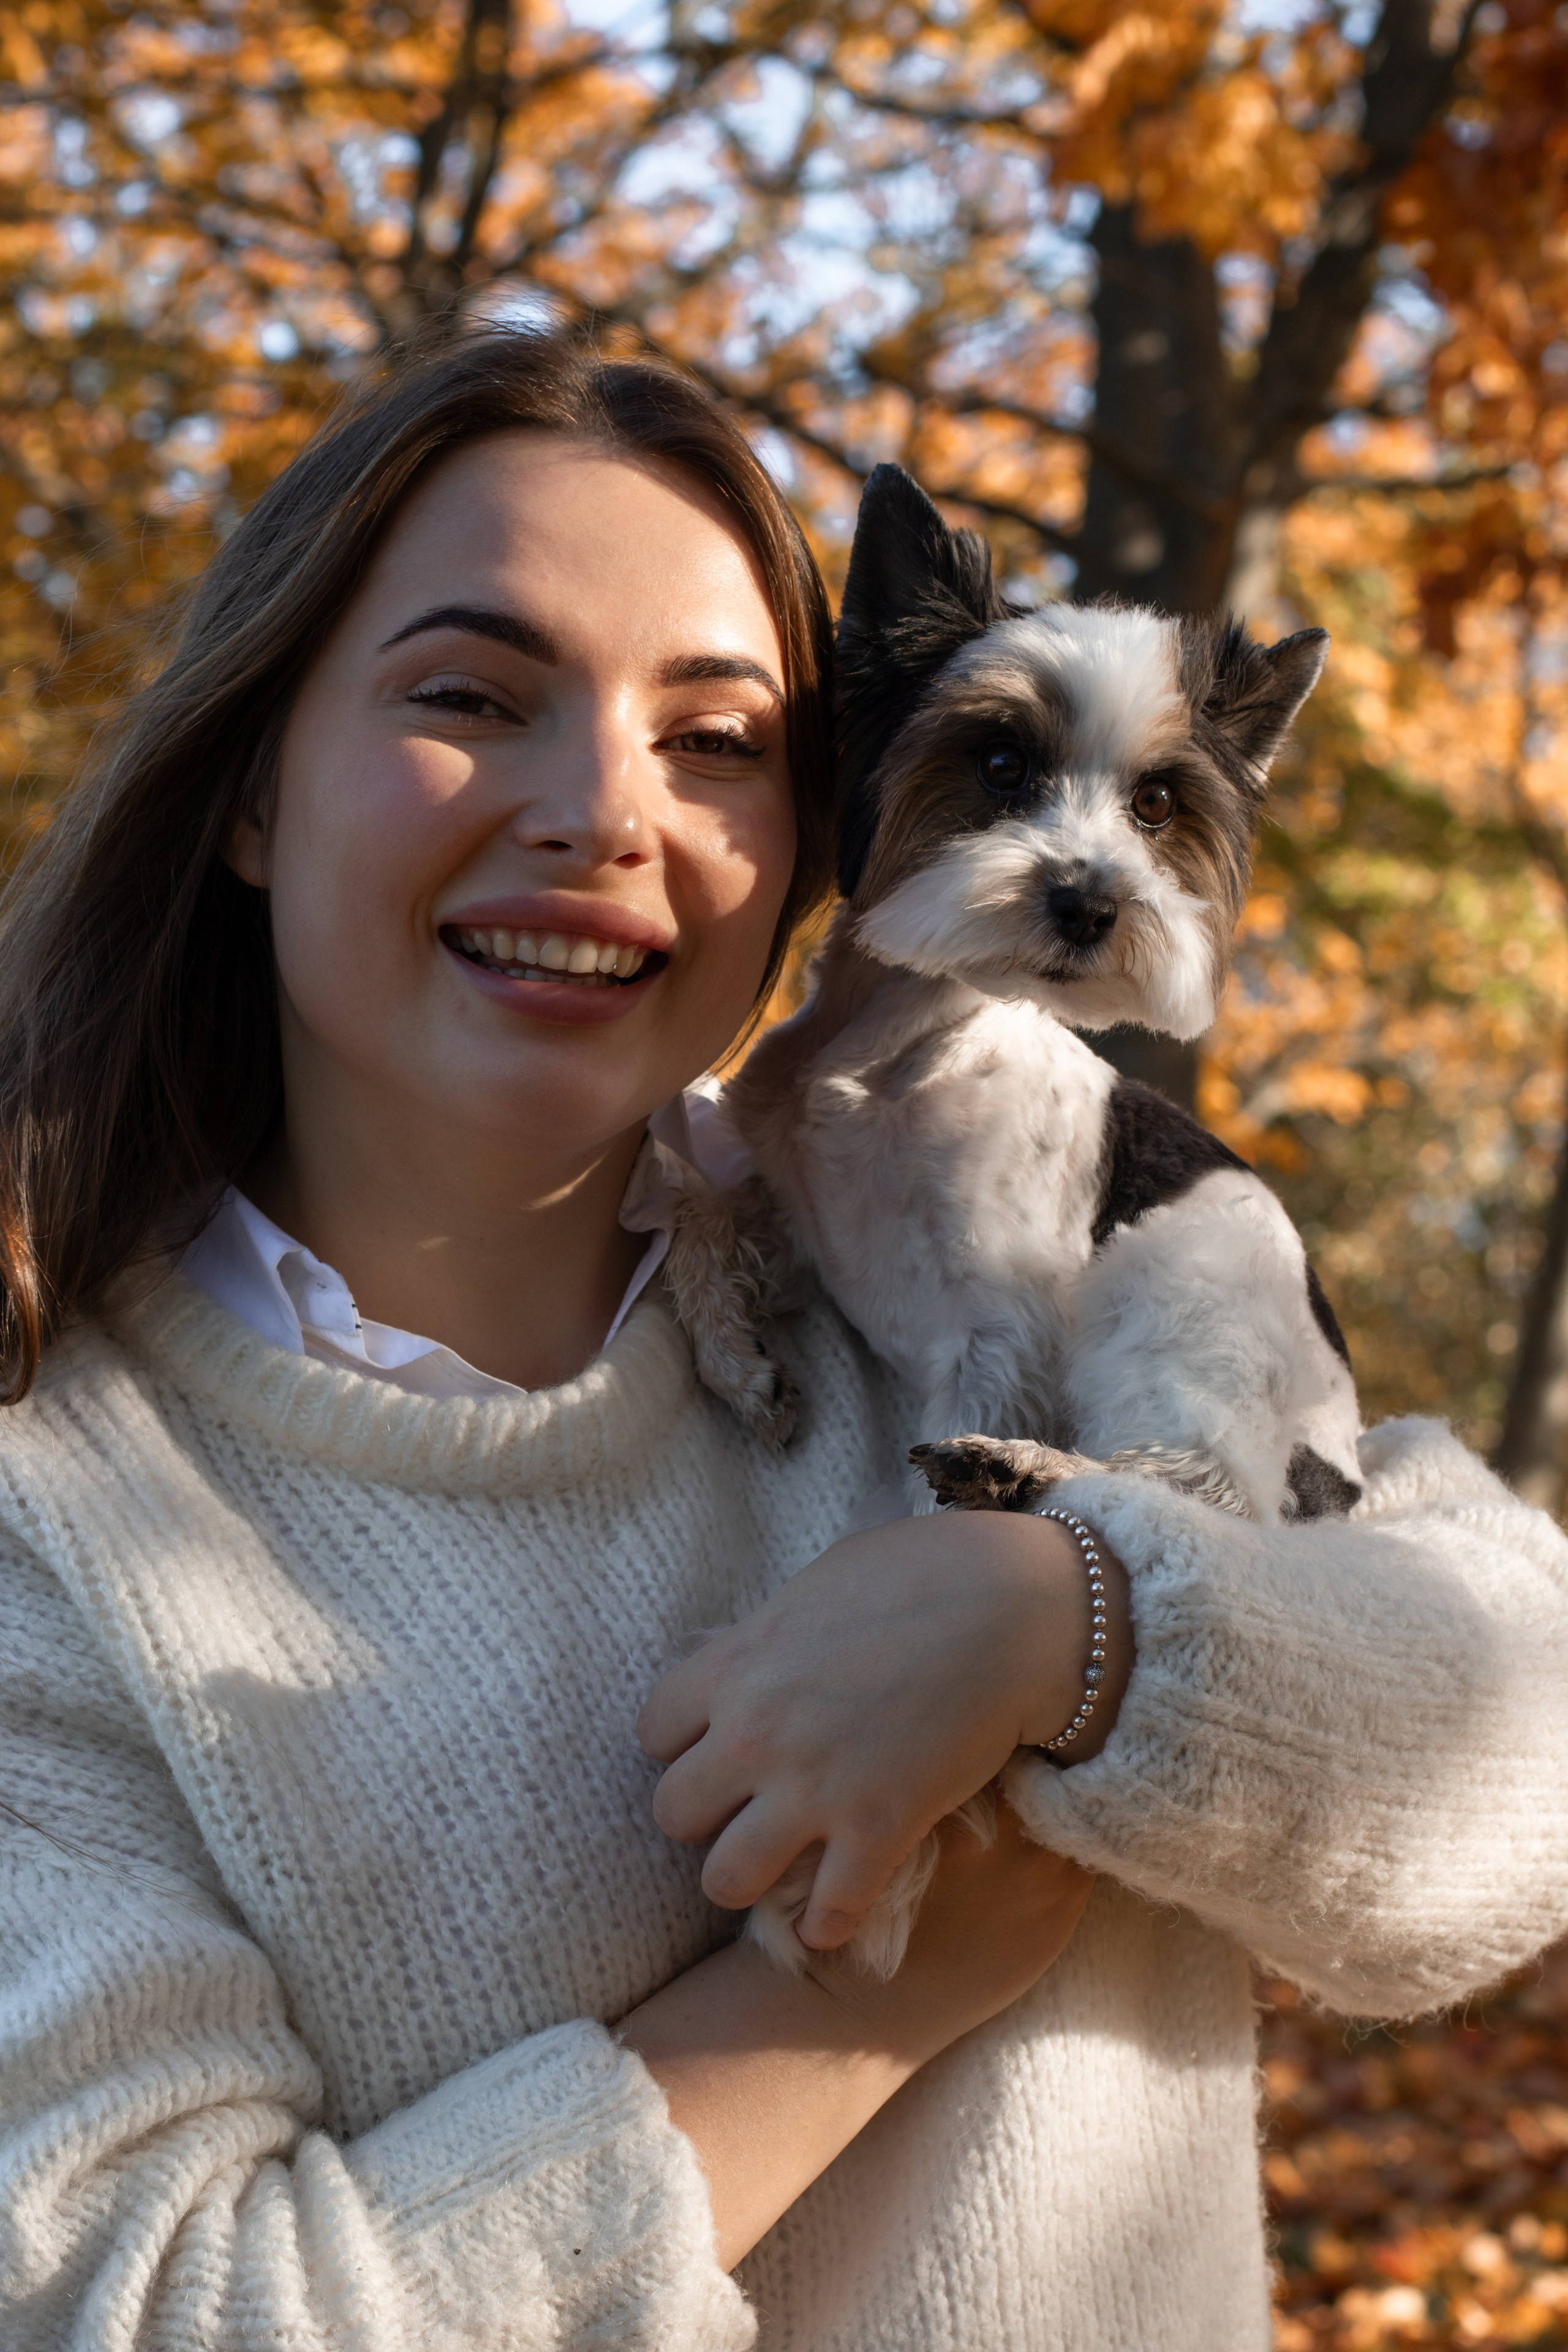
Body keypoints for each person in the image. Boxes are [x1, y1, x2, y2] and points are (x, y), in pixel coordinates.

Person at [0, 322, 1563, 2352]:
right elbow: (153, 2310)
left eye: (718, 740)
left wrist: (1076, 1625)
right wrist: (842, 2004)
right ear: (254, 798)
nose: (604, 812)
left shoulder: (962, 1264)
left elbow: (1520, 1742)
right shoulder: (55, 1522)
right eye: (474, 697)